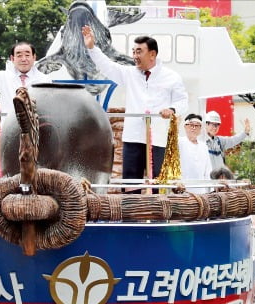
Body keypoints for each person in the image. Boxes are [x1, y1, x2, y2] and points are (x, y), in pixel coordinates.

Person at [82, 25, 188, 184]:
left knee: (159, 183)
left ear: (152, 54)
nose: (134, 56)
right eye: (133, 51)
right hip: (133, 137)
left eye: (139, 51)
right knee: (131, 183)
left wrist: (172, 109)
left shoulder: (172, 77)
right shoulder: (130, 73)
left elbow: (182, 101)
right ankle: (130, 208)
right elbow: (108, 66)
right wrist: (92, 47)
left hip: (158, 138)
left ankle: (158, 208)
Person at [0, 34, 51, 118]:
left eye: (27, 55)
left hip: (36, 128)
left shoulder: (44, 80)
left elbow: (49, 108)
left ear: (34, 57)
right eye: (19, 55)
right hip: (9, 128)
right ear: (12, 59)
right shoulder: (3, 77)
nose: (23, 59)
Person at [178, 114, 212, 194]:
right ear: (185, 126)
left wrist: (210, 190)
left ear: (200, 129)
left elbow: (208, 170)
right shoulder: (179, 141)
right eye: (191, 125)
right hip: (182, 189)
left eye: (197, 126)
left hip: (201, 191)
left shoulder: (204, 146)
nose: (194, 128)